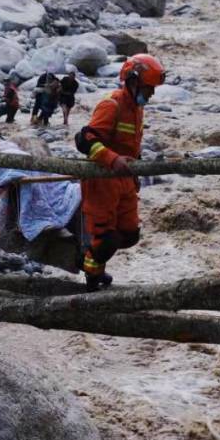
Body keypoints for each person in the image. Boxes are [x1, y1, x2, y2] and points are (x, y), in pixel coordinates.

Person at [77, 53, 166, 291]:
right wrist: (112, 159)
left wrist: (134, 174)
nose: (151, 94)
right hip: (102, 180)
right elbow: (85, 140)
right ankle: (91, 279)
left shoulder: (136, 109)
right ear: (133, 81)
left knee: (129, 234)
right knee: (105, 238)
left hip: (124, 179)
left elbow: (131, 147)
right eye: (148, 88)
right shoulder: (111, 105)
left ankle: (94, 262)